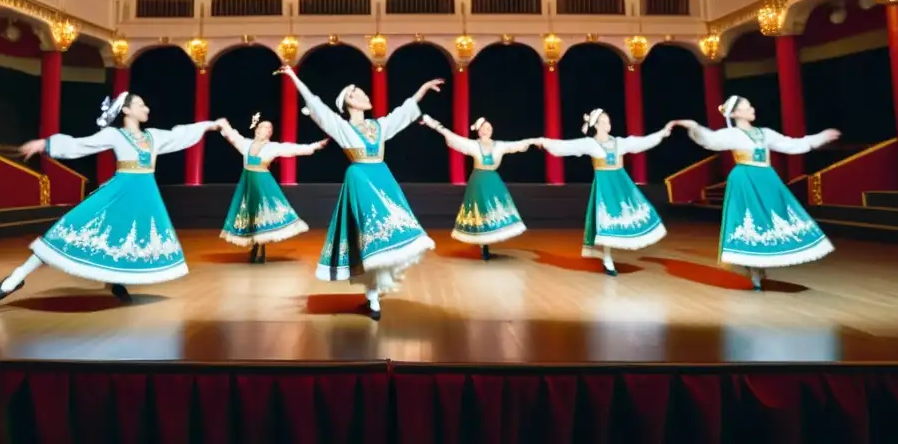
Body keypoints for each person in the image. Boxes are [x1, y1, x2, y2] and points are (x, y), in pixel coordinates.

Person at [0, 92, 228, 303]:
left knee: (125, 240)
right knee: (69, 229)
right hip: (118, 192)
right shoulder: (115, 135)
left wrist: (210, 125)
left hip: (145, 198)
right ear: (126, 110)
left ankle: (115, 281)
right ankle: (17, 276)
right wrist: (46, 143)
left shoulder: (153, 136)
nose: (147, 109)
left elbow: (181, 133)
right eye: (141, 105)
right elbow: (81, 144)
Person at [276, 64, 442, 320]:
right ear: (348, 103)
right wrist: (293, 76)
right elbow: (316, 104)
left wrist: (422, 91)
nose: (364, 95)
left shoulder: (379, 125)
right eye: (357, 94)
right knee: (367, 235)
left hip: (383, 178)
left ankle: (374, 292)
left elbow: (403, 114)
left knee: (392, 228)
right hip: (360, 180)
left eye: (363, 92)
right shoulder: (341, 127)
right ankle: (373, 297)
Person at [675, 96, 839, 290]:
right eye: (747, 107)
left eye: (751, 105)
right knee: (749, 220)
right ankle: (753, 267)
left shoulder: (765, 133)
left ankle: (761, 261)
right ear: (735, 114)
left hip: (767, 178)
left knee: (773, 216)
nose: (752, 109)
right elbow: (710, 140)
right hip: (744, 178)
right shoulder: (732, 134)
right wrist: (693, 126)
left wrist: (819, 138)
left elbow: (790, 144)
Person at [540, 109, 672, 275]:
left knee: (630, 213)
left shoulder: (619, 142)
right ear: (596, 125)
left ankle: (627, 243)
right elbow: (567, 146)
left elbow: (640, 143)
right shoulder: (591, 143)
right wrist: (545, 142)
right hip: (604, 186)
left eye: (608, 121)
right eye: (603, 121)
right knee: (606, 219)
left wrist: (661, 134)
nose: (607, 124)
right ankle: (607, 258)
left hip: (621, 183)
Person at [421, 114, 540, 259]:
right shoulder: (473, 145)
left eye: (489, 127)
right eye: (484, 128)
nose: (488, 130)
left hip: (493, 181)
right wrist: (430, 122)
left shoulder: (499, 145)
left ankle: (488, 242)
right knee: (481, 211)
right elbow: (451, 136)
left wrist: (535, 141)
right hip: (478, 181)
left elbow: (516, 144)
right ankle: (484, 246)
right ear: (479, 131)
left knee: (495, 210)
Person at [220, 112, 328, 262]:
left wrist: (315, 145)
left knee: (262, 213)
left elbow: (292, 149)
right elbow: (231, 136)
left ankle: (260, 249)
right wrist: (223, 125)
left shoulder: (272, 147)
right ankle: (254, 247)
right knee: (250, 214)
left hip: (263, 183)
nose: (267, 130)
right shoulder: (245, 144)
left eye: (270, 128)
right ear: (257, 129)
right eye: (264, 127)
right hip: (248, 184)